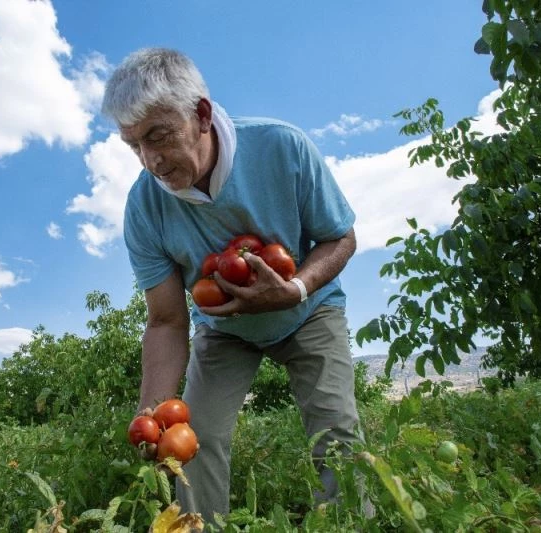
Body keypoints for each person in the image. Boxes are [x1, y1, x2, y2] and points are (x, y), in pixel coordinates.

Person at [101, 47, 363, 522]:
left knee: (336, 435)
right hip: (225, 331)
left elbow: (340, 237)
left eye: (159, 136)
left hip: (310, 311)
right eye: (133, 145)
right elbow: (165, 320)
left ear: (201, 115)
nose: (151, 160)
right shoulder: (144, 208)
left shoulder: (281, 147)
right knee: (190, 443)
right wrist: (153, 414)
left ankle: (350, 527)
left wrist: (296, 289)